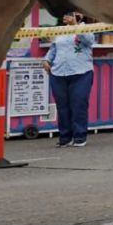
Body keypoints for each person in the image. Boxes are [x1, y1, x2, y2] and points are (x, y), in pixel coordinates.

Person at [43, 13, 95, 147]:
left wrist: (75, 25)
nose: (66, 16)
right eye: (65, 14)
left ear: (78, 16)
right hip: (58, 72)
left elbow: (89, 41)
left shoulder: (85, 28)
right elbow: (54, 47)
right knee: (62, 107)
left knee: (79, 105)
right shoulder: (60, 30)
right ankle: (65, 137)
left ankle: (79, 136)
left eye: (69, 14)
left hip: (81, 72)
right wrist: (47, 60)